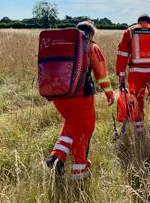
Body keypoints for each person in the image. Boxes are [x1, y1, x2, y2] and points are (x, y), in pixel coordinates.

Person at [46, 21, 114, 180]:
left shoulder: (62, 45)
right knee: (84, 130)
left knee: (71, 125)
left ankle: (56, 158)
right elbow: (101, 74)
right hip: (80, 97)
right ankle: (79, 174)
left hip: (59, 96)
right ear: (90, 34)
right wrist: (109, 93)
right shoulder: (90, 46)